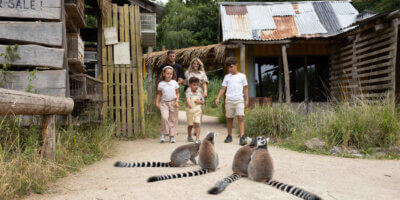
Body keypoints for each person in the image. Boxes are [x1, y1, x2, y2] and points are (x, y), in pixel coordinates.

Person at [215, 57, 249, 146]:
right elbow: (223, 89)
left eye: (231, 67)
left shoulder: (242, 76)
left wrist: (247, 99)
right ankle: (229, 135)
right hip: (229, 100)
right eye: (228, 68)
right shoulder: (227, 77)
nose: (230, 69)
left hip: (239, 100)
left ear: (236, 65)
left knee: (241, 117)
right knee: (229, 119)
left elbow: (245, 89)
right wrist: (218, 98)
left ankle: (242, 137)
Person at [155, 66, 180, 143]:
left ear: (172, 75)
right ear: (164, 74)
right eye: (167, 73)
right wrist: (156, 102)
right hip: (164, 103)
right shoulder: (161, 84)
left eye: (171, 74)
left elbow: (177, 93)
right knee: (164, 117)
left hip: (173, 102)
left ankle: (172, 136)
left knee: (172, 119)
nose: (169, 75)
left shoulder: (174, 83)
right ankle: (164, 133)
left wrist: (177, 101)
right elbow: (159, 94)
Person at [185, 77, 205, 143]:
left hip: (197, 111)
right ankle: (189, 136)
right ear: (190, 85)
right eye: (194, 85)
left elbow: (203, 101)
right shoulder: (189, 93)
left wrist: (200, 102)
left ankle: (197, 138)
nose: (196, 86)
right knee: (190, 125)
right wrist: (189, 104)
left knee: (197, 124)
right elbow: (188, 99)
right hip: (190, 111)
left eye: (197, 85)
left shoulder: (199, 94)